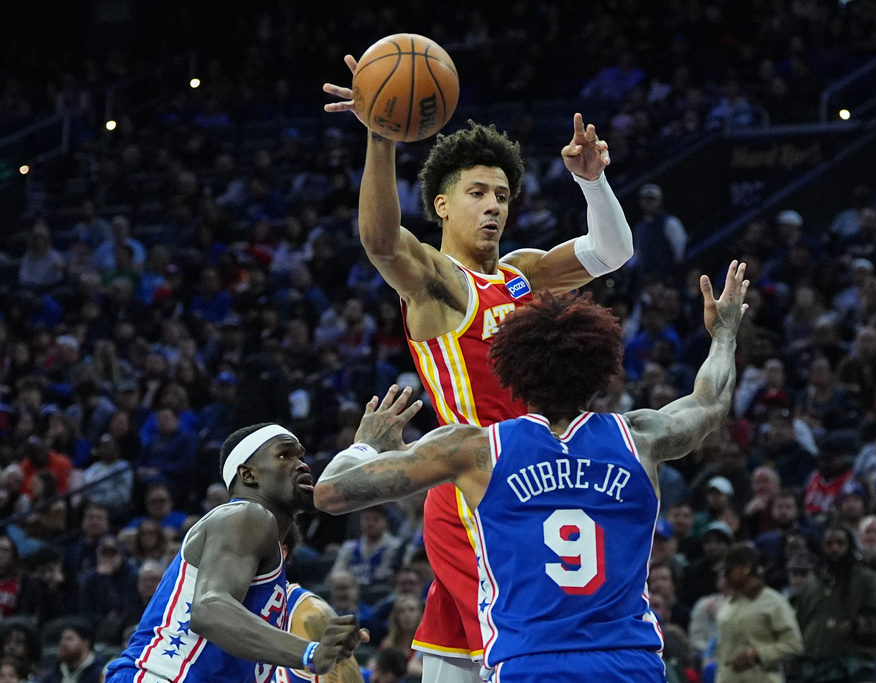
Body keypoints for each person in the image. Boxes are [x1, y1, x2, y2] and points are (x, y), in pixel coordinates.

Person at [324, 56, 635, 683]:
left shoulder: (522, 272)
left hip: (541, 482)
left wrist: (593, 182)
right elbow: (382, 242)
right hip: (478, 488)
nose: (493, 206)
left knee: (463, 667)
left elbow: (611, 252)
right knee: (533, 656)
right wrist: (381, 135)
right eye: (476, 193)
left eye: (501, 195)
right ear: (440, 205)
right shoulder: (439, 283)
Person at [313, 262, 749, 682]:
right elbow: (709, 403)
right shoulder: (640, 437)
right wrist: (724, 335)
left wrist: (366, 442)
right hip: (628, 663)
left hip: (530, 664)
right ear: (599, 372)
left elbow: (330, 493)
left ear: (514, 374)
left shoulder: (476, 449)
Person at [105, 423, 366, 683]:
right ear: (248, 474)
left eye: (301, 456)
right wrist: (309, 652)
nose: (302, 464)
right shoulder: (247, 514)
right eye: (285, 455)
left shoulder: (266, 557)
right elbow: (209, 609)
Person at [791, 526, 876, 683]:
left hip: (853, 669)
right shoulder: (813, 586)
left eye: (840, 543)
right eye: (829, 544)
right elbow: (799, 625)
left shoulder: (866, 581)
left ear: (850, 547)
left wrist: (856, 626)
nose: (835, 548)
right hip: (813, 670)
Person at [715, 543, 803, 683]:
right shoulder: (729, 604)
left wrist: (756, 654)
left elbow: (793, 645)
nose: (725, 575)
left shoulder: (773, 602)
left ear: (746, 568)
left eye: (729, 570)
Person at [37, 619, 104, 683]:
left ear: (86, 644)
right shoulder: (55, 670)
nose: (63, 643)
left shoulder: (99, 673)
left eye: (69, 639)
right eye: (62, 639)